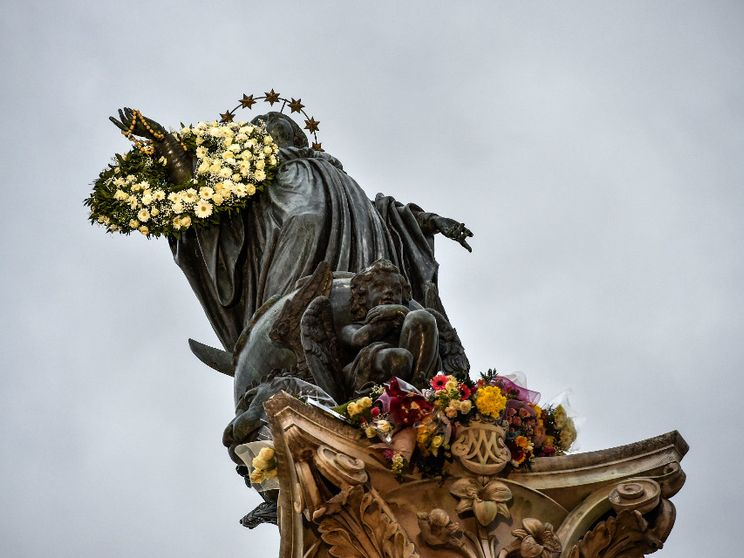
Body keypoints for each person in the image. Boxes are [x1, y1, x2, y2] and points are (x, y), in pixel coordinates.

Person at [169, 112, 473, 353]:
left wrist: (430, 220)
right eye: (261, 126)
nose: (269, 126)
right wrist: (173, 158)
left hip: (361, 249)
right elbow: (209, 213)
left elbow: (383, 213)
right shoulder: (256, 177)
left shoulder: (328, 166)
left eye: (277, 123)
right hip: (290, 235)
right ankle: (280, 325)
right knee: (294, 274)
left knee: (370, 287)